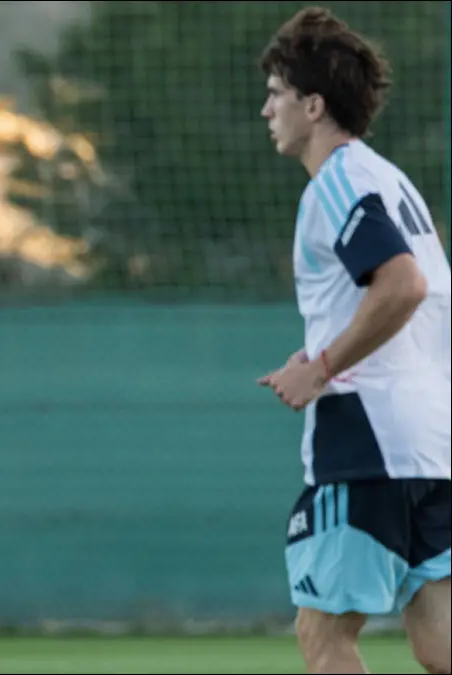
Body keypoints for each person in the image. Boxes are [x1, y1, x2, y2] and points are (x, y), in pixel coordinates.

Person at [256, 7, 451, 674]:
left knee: (323, 634)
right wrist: (319, 353)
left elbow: (402, 285)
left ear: (314, 105)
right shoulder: (395, 183)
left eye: (277, 95)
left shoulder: (337, 182)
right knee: (441, 644)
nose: (266, 110)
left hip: (368, 446)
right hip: (435, 447)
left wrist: (324, 367)